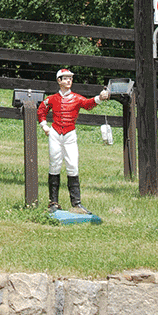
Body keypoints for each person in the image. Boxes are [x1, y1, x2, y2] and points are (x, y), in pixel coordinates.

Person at [37, 67, 110, 214]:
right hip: (55, 133)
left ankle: (76, 203)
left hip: (70, 134)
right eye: (65, 78)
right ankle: (53, 202)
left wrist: (99, 98)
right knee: (54, 165)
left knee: (72, 165)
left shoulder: (76, 98)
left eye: (70, 78)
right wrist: (44, 126)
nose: (69, 80)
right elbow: (41, 110)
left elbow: (88, 104)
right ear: (59, 81)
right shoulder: (52, 99)